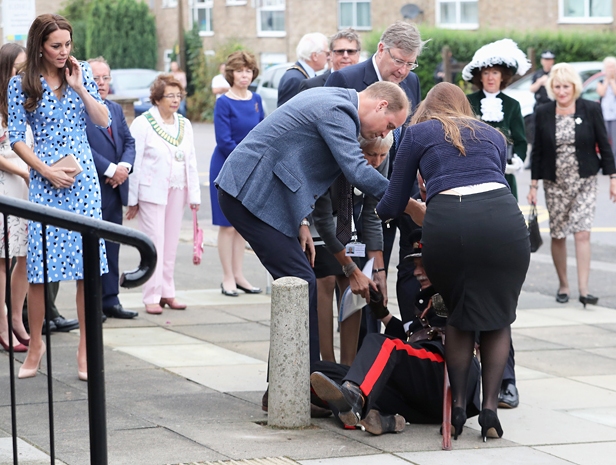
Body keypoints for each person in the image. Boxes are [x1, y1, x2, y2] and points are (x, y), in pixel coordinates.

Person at [215, 81, 410, 367]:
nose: (385, 133)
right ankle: (300, 382)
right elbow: (356, 170)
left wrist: (300, 222)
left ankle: (290, 384)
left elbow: (297, 163)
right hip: (248, 193)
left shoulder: (336, 102)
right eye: (390, 125)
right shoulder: (338, 110)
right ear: (381, 105)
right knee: (301, 282)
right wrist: (409, 204)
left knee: (295, 283)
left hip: (261, 196)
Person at [376, 82, 531, 442]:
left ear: (426, 109)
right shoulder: (493, 135)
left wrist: (373, 215)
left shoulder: (415, 134)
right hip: (505, 221)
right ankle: (490, 409)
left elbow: (394, 200)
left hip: (449, 223)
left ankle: (459, 407)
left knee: (457, 310)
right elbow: (487, 176)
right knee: (498, 314)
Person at [8, 14, 110, 380]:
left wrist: (81, 87)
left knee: (86, 270)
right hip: (45, 178)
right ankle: (35, 345)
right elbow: (16, 136)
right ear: (40, 46)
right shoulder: (22, 83)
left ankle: (85, 350)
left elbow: (103, 121)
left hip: (82, 181)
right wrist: (44, 170)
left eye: (67, 45)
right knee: (39, 270)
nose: (63, 52)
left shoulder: (79, 71)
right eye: (56, 46)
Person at [310, 229, 481, 436]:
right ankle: (378, 418)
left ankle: (354, 399)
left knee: (381, 343)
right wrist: (381, 313)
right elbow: (410, 336)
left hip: (447, 377)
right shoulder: (422, 299)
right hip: (418, 398)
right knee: (322, 370)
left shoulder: (457, 289)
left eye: (423, 266)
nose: (417, 272)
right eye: (416, 267)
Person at [325, 20, 425, 330]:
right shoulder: (346, 79)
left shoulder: (413, 82)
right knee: (360, 278)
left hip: (398, 194)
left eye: (410, 63)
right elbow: (333, 145)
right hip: (354, 198)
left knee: (385, 275)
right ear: (381, 49)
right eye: (398, 61)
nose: (403, 70)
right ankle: (356, 362)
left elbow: (411, 138)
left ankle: (391, 349)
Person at [528, 62, 616, 307]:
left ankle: (585, 290)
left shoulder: (590, 109)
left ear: (574, 87)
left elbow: (605, 145)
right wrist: (533, 186)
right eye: (557, 86)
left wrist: (613, 178)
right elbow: (537, 152)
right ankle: (564, 285)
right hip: (554, 182)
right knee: (558, 234)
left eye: (566, 86)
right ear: (552, 88)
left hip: (585, 180)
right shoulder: (544, 112)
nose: (562, 91)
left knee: (583, 233)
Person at [312, 134, 392, 365]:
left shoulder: (380, 160)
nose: (377, 161)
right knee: (325, 279)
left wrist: (379, 269)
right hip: (316, 214)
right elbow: (324, 218)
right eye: (370, 155)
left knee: (354, 287)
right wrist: (349, 267)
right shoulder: (337, 154)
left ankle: (348, 366)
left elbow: (373, 212)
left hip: (348, 220)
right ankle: (327, 363)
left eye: (382, 155)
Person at [127, 75, 201, 314]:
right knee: (154, 244)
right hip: (151, 191)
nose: (175, 100)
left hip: (178, 188)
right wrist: (132, 200)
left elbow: (190, 160)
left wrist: (195, 197)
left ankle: (168, 291)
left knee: (170, 244)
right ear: (157, 98)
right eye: (170, 95)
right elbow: (134, 163)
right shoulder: (143, 123)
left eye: (178, 95)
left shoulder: (184, 124)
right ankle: (151, 295)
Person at [85, 57, 138, 320]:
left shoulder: (115, 110)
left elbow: (128, 141)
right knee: (92, 248)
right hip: (94, 186)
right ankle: (92, 303)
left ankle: (110, 300)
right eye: (96, 78)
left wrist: (124, 168)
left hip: (115, 188)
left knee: (112, 246)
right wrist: (109, 169)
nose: (102, 83)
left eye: (106, 78)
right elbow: (83, 147)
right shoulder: (78, 109)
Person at [209, 51, 263, 297]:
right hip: (226, 167)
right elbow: (224, 141)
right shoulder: (224, 101)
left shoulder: (257, 99)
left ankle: (240, 275)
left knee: (241, 226)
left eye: (248, 70)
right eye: (240, 70)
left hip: (251, 169)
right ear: (231, 73)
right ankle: (227, 277)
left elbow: (263, 132)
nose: (244, 75)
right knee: (226, 225)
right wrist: (246, 160)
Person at [464, 38, 529, 200]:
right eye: (486, 73)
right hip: (474, 174)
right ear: (480, 77)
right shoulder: (468, 101)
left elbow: (520, 141)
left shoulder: (512, 105)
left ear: (502, 77)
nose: (490, 78)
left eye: (495, 73)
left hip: (503, 174)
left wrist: (517, 161)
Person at [0, 43, 30, 352]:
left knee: (26, 256)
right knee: (2, 258)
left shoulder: (26, 100)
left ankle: (18, 319)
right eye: (16, 68)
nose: (22, 74)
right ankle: (2, 322)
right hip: (5, 186)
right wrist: (22, 171)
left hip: (27, 186)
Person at [277, 32, 329, 107]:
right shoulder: (295, 79)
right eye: (327, 53)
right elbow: (288, 114)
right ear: (315, 56)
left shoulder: (301, 74)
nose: (328, 57)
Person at [596, 56, 616, 154]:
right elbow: (601, 93)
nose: (611, 69)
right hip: (604, 114)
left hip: (615, 115)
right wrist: (607, 81)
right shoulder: (601, 81)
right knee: (604, 139)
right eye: (608, 67)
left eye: (612, 66)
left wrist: (612, 82)